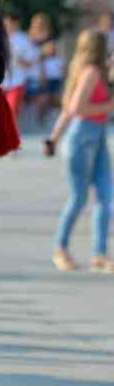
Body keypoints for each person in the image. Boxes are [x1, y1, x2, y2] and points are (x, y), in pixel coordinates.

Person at [45, 29, 114, 273]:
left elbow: (67, 110)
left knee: (106, 196)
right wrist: (110, 104)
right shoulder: (92, 72)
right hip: (84, 137)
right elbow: (77, 108)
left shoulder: (85, 71)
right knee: (80, 198)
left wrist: (54, 137)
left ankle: (99, 254)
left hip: (94, 137)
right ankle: (60, 248)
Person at [2, 13, 39, 125]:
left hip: (17, 81)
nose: (6, 26)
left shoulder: (24, 39)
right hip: (0, 81)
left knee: (12, 111)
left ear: (15, 24)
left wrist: (20, 61)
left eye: (8, 23)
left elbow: (32, 61)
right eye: (5, 23)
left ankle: (11, 136)